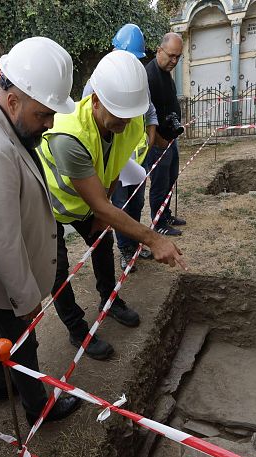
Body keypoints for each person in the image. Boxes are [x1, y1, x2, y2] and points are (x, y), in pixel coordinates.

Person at [0, 37, 83, 426]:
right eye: (43, 115)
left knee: (3, 327)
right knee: (23, 337)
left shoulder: (5, 123)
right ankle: (39, 406)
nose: (50, 123)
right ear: (13, 101)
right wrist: (26, 299)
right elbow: (0, 240)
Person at [38, 50, 186, 360]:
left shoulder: (129, 122)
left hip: (88, 198)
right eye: (117, 112)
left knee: (102, 243)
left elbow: (114, 164)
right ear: (94, 101)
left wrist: (103, 207)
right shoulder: (68, 136)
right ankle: (78, 330)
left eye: (130, 113)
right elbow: (101, 205)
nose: (124, 120)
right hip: (48, 204)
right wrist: (153, 237)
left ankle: (110, 300)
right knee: (58, 268)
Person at [85, 23, 158, 272]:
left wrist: (150, 135)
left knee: (136, 204)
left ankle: (134, 246)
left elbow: (149, 109)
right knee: (116, 207)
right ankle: (125, 251)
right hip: (113, 161)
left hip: (136, 158)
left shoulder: (138, 77)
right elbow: (90, 126)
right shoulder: (99, 80)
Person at [145, 32, 186, 236]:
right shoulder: (149, 75)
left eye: (178, 56)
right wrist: (158, 141)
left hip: (170, 139)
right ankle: (158, 221)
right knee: (160, 183)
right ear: (159, 50)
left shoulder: (165, 73)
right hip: (159, 142)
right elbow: (145, 115)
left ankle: (166, 213)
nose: (174, 60)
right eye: (171, 55)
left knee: (170, 178)